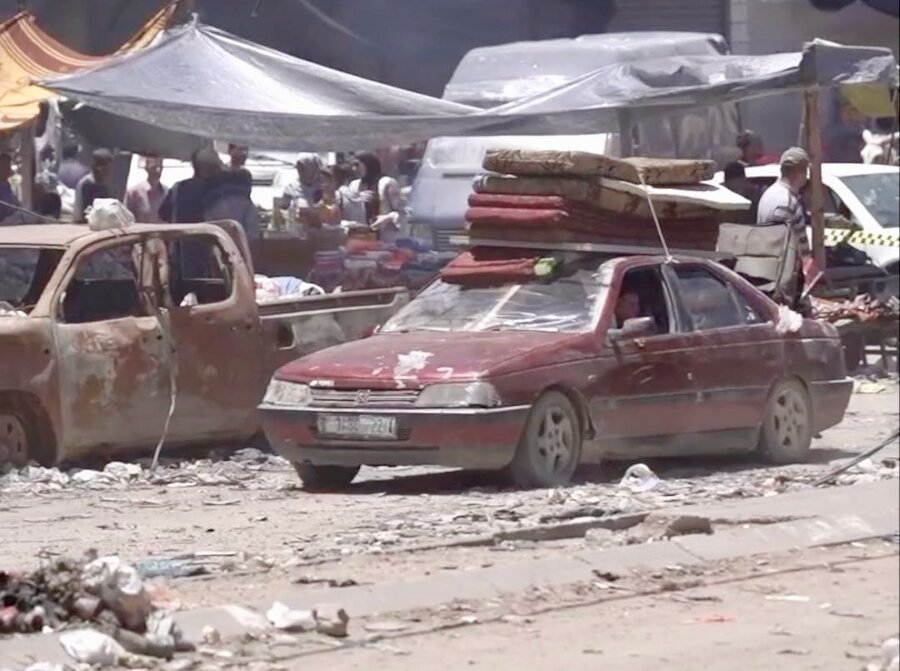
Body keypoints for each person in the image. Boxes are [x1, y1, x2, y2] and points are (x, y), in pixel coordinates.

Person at [756, 147, 816, 304]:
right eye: (805, 172)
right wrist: (807, 264)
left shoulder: (768, 194)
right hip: (782, 274)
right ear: (799, 173)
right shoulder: (787, 201)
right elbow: (793, 241)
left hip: (766, 268)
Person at [346, 151, 404, 242]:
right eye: (352, 166)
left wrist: (387, 218)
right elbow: (347, 211)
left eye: (357, 165)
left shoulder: (387, 183)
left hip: (386, 239)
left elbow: (404, 212)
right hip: (362, 239)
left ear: (368, 164)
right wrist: (357, 199)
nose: (354, 169)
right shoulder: (354, 185)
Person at [158, 146, 222, 224]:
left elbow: (163, 214)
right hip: (209, 234)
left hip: (182, 234)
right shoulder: (218, 190)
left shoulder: (178, 188)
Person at [73, 149, 113, 223]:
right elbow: (88, 212)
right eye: (107, 167)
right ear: (99, 168)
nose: (109, 170)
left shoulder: (101, 185)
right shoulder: (88, 184)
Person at [125, 156, 168, 223]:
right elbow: (127, 219)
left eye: (160, 167)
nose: (158, 170)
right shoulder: (134, 192)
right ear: (146, 168)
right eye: (154, 167)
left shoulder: (167, 193)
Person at [0, 152, 21, 222]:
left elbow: (17, 204)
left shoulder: (9, 185)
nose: (7, 169)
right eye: (4, 166)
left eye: (8, 165)